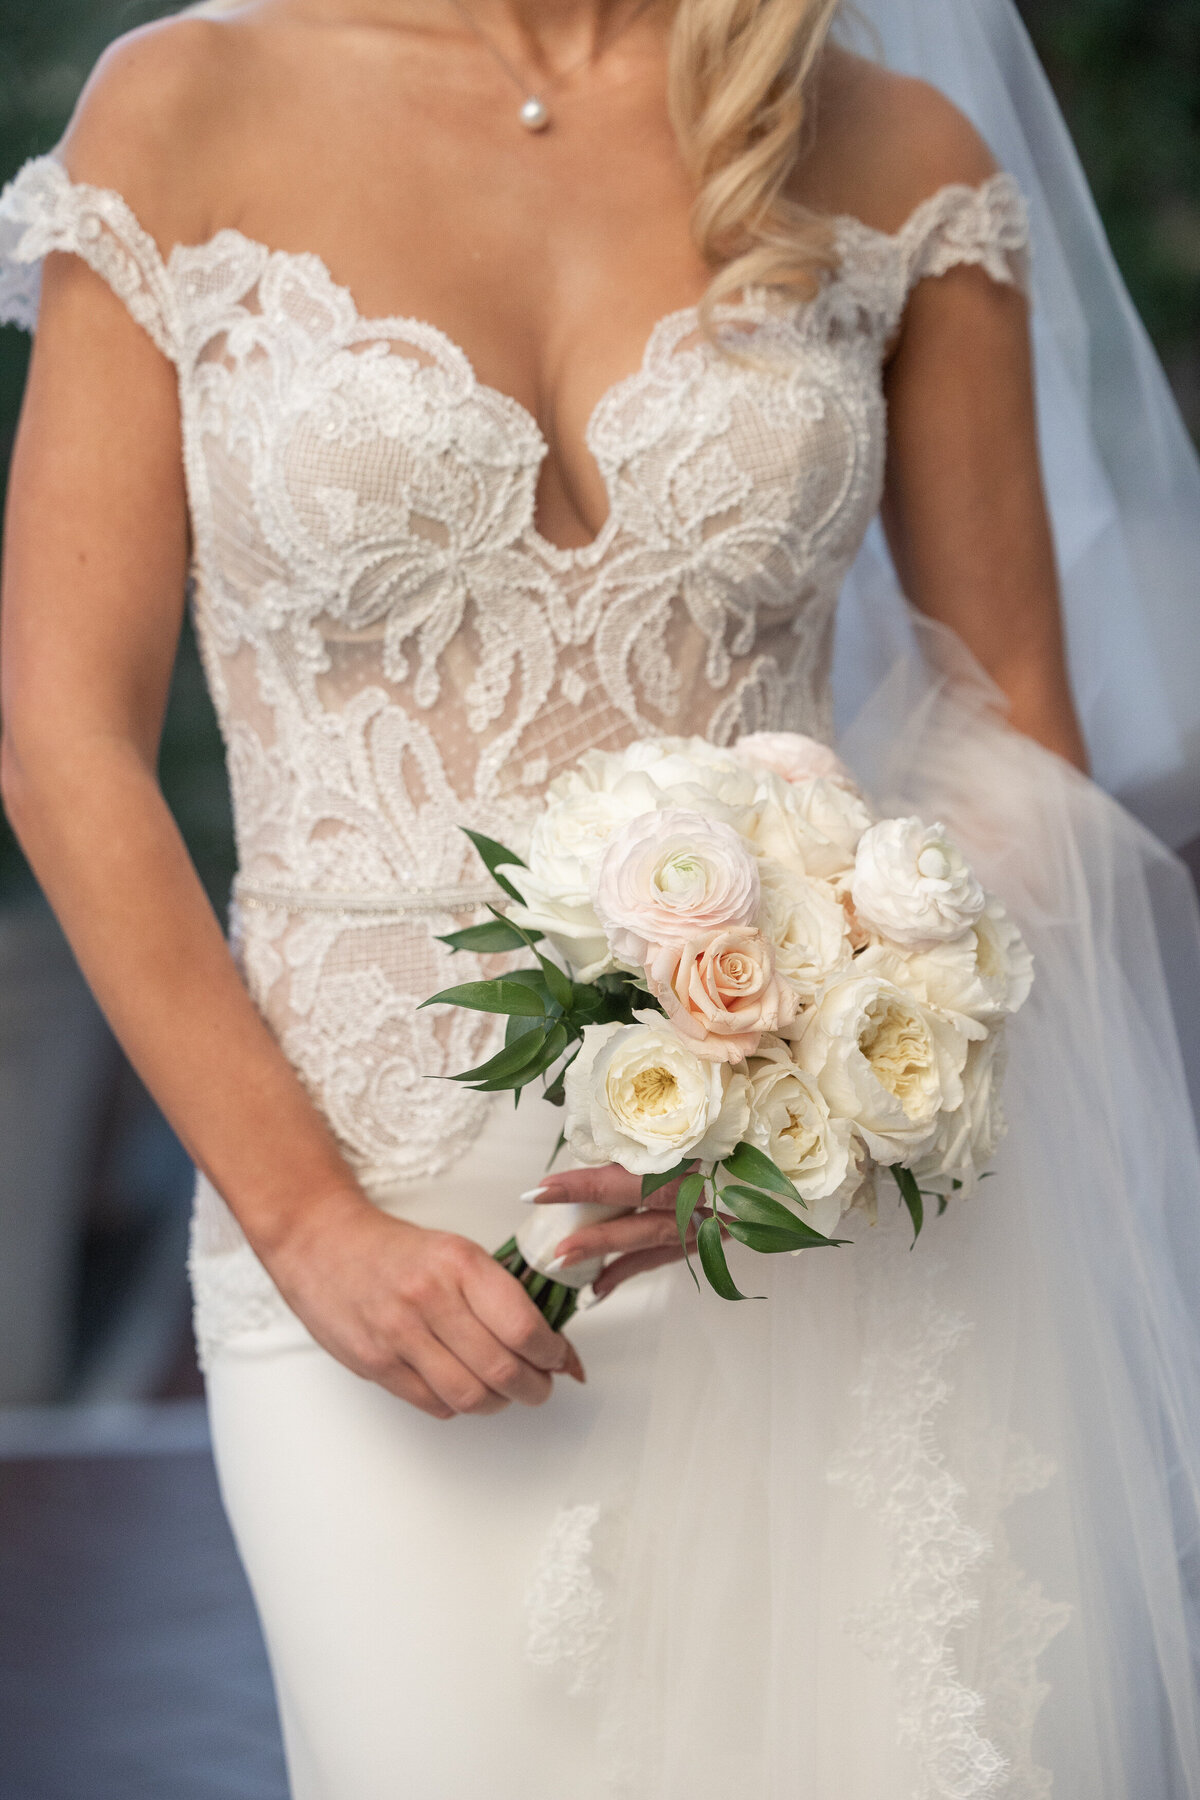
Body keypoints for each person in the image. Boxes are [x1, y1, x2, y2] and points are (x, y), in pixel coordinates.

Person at [2, 0, 1200, 1793]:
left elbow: (1017, 743)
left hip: (791, 1219)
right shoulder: (188, 104)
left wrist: (795, 1080)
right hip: (362, 1239)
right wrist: (308, 1222)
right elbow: (61, 744)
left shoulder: (884, 149)